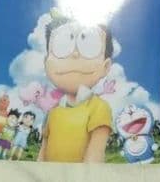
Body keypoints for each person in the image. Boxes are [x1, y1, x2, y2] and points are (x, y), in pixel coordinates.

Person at [37, 15, 114, 162]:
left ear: (106, 66)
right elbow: (43, 149)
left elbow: (95, 154)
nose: (75, 54)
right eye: (62, 46)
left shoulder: (98, 107)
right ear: (46, 64)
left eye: (89, 47)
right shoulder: (53, 110)